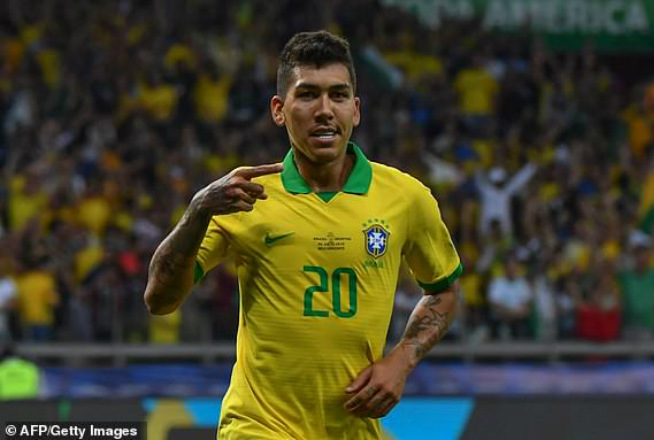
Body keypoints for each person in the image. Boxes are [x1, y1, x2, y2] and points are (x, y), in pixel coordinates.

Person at [145, 31, 462, 440]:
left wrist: (401, 361)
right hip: (259, 426)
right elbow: (159, 299)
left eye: (338, 96)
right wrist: (197, 211)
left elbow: (444, 290)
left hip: (354, 429)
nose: (325, 110)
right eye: (308, 95)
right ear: (279, 110)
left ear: (356, 110)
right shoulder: (243, 197)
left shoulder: (405, 197)